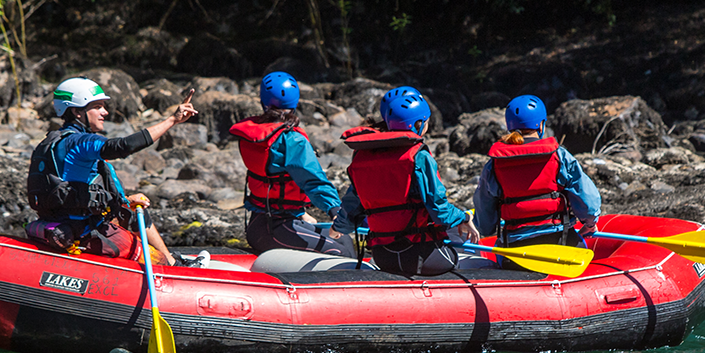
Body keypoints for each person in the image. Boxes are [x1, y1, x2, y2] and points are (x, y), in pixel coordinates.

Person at [26, 77, 197, 264]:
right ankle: (169, 266)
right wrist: (172, 120)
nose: (105, 112)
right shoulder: (80, 142)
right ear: (76, 111)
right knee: (155, 258)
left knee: (131, 213)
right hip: (84, 232)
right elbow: (123, 146)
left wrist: (125, 200)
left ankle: (173, 261)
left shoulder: (51, 142)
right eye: (97, 107)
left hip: (61, 223)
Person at [331, 86, 479, 276]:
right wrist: (464, 217)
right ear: (418, 124)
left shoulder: (363, 157)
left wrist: (337, 228)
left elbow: (352, 206)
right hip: (419, 256)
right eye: (426, 121)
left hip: (383, 256)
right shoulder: (419, 156)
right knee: (463, 244)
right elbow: (439, 211)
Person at [228, 72, 348, 255]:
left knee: (344, 240)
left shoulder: (254, 134)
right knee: (341, 252)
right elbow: (313, 181)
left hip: (261, 224)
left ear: (263, 102)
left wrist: (301, 214)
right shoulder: (291, 140)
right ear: (295, 104)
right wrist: (335, 210)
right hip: (275, 228)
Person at [473, 94, 601, 259]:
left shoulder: (494, 165)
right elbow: (589, 203)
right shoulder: (560, 156)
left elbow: (485, 223)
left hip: (513, 251)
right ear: (541, 125)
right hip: (561, 244)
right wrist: (590, 224)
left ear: (509, 126)